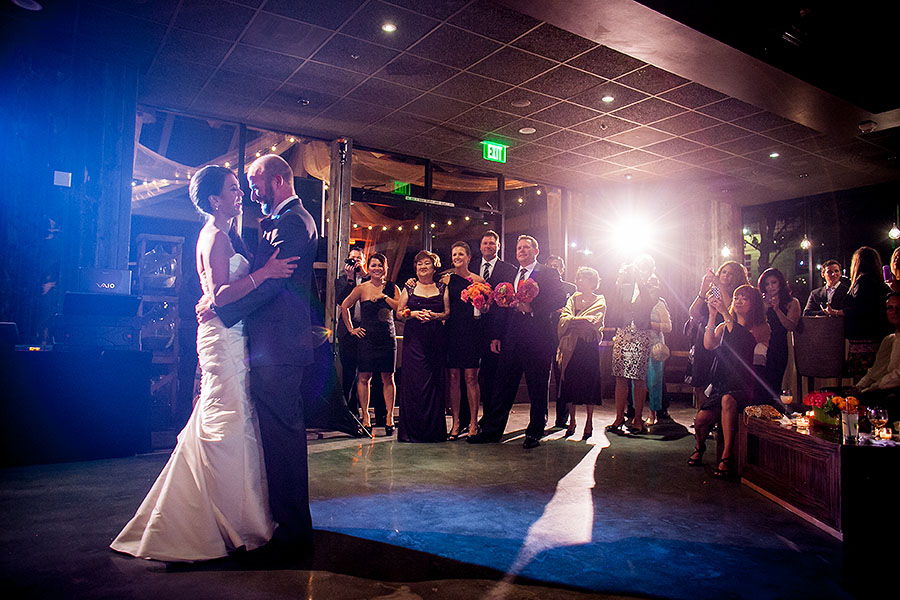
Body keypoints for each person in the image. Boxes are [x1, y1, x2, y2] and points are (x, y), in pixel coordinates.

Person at [111, 165, 299, 561]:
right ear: (215, 200)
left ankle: (223, 513)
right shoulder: (214, 235)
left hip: (230, 334)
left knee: (229, 417)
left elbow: (217, 297)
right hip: (222, 337)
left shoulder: (226, 233)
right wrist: (266, 272)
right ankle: (226, 520)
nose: (241, 194)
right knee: (228, 419)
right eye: (233, 189)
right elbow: (221, 296)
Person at [212, 154, 318, 554]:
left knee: (283, 439)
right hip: (278, 344)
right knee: (278, 437)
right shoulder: (287, 219)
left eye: (255, 185)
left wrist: (223, 310)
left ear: (276, 181)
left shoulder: (291, 221)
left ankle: (293, 531)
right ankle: (287, 522)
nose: (252, 193)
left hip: (279, 346)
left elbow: (275, 284)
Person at [468, 235, 566, 449]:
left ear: (536, 251)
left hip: (538, 339)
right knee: (503, 386)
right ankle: (492, 431)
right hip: (511, 339)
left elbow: (560, 298)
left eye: (526, 247)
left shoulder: (547, 273)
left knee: (537, 387)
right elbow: (501, 307)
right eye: (519, 247)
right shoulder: (511, 273)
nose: (521, 250)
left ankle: (535, 432)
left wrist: (533, 308)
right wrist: (496, 335)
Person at [688, 284, 770, 478]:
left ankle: (727, 455)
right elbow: (709, 344)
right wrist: (712, 315)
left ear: (753, 304)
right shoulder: (724, 326)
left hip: (746, 383)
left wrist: (725, 313)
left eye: (744, 298)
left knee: (727, 400)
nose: (738, 301)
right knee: (700, 421)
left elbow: (742, 340)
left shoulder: (760, 327)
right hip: (723, 382)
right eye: (736, 297)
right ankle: (700, 446)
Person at [340, 253, 400, 437]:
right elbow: (344, 306)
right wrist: (351, 329)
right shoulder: (361, 288)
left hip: (387, 337)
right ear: (369, 267)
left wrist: (384, 297)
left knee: (388, 377)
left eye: (380, 265)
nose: (377, 268)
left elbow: (399, 309)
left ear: (385, 268)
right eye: (373, 265)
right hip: (367, 339)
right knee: (364, 377)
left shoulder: (392, 287)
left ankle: (389, 416)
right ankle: (365, 416)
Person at [397, 250, 450, 442]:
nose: (423, 267)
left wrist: (435, 316)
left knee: (434, 382)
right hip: (414, 341)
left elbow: (447, 313)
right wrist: (412, 314)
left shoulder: (442, 287)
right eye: (419, 264)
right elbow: (399, 312)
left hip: (435, 340)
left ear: (434, 267)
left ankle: (433, 431)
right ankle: (412, 431)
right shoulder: (409, 287)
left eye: (427, 263)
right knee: (414, 382)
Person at [606, 255, 659, 435]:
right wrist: (619, 281)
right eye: (639, 267)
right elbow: (615, 305)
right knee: (620, 376)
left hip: (641, 334)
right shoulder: (626, 287)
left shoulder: (653, 288)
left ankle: (637, 418)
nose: (641, 270)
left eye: (645, 267)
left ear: (650, 270)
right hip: (623, 333)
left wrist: (641, 281)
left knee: (638, 378)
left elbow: (648, 303)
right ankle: (619, 417)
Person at [686, 262, 750, 409]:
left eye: (730, 273)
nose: (725, 276)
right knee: (700, 381)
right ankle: (702, 414)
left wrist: (720, 286)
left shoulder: (739, 294)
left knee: (718, 381)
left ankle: (716, 416)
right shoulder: (713, 292)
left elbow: (729, 309)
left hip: (725, 338)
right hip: (706, 333)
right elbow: (693, 312)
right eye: (723, 272)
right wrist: (702, 291)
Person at [440, 241, 486, 439]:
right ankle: (456, 422)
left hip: (472, 334)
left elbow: (486, 309)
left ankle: (474, 423)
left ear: (468, 257)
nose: (457, 257)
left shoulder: (478, 281)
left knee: (471, 378)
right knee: (453, 378)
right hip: (451, 333)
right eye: (454, 254)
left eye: (461, 254)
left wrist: (483, 306)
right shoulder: (446, 280)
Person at [475, 230, 519, 428]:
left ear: (498, 246)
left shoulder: (509, 270)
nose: (488, 246)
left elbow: (508, 307)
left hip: (495, 332)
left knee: (491, 376)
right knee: (471, 376)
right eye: (485, 243)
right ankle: (470, 418)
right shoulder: (471, 267)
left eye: (492, 243)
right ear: (480, 246)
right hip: (472, 330)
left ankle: (489, 417)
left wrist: (498, 335)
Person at [556, 267, 605, 440]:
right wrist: (579, 321)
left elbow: (594, 321)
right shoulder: (572, 298)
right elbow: (564, 319)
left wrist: (574, 321)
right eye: (578, 278)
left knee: (589, 383)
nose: (578, 281)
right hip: (571, 347)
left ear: (592, 282)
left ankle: (589, 421)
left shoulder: (599, 300)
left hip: (589, 346)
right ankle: (572, 421)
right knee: (570, 381)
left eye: (582, 278)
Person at [827, 247, 891, 375]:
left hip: (862, 340)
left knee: (862, 379)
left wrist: (835, 312)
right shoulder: (879, 283)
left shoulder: (862, 282)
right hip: (879, 338)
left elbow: (857, 309)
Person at [854, 292, 900, 424]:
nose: (895, 312)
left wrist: (871, 388)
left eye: (898, 307)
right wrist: (859, 387)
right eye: (890, 308)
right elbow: (876, 370)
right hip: (882, 389)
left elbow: (897, 376)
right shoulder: (889, 339)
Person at [758, 268, 800, 400]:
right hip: (763, 344)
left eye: (773, 282)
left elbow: (791, 326)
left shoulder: (792, 302)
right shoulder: (761, 303)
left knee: (776, 382)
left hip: (780, 344)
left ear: (780, 283)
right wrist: (764, 309)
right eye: (767, 284)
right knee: (761, 383)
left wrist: (777, 309)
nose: (770, 287)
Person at [546, 254, 578, 428]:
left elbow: (574, 310)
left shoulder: (571, 288)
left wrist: (565, 311)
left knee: (563, 378)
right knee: (542, 379)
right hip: (544, 335)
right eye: (551, 266)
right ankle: (541, 418)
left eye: (557, 266)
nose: (554, 269)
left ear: (562, 269)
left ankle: (562, 418)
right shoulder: (540, 285)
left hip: (564, 337)